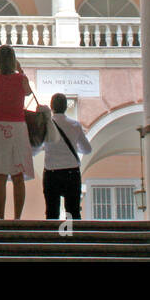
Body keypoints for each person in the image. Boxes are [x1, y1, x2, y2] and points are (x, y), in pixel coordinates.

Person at [0, 44, 34, 219]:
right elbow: (28, 92)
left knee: (0, 174)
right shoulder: (21, 79)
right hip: (18, 127)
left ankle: (1, 217)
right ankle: (17, 217)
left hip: (0, 127)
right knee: (18, 175)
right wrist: (20, 69)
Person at [40, 93, 92, 221]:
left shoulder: (46, 125)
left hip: (51, 173)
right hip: (71, 172)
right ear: (65, 107)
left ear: (52, 107)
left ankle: (53, 239)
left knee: (52, 212)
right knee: (73, 212)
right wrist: (75, 147)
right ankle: (71, 238)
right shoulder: (74, 125)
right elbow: (87, 149)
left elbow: (36, 147)